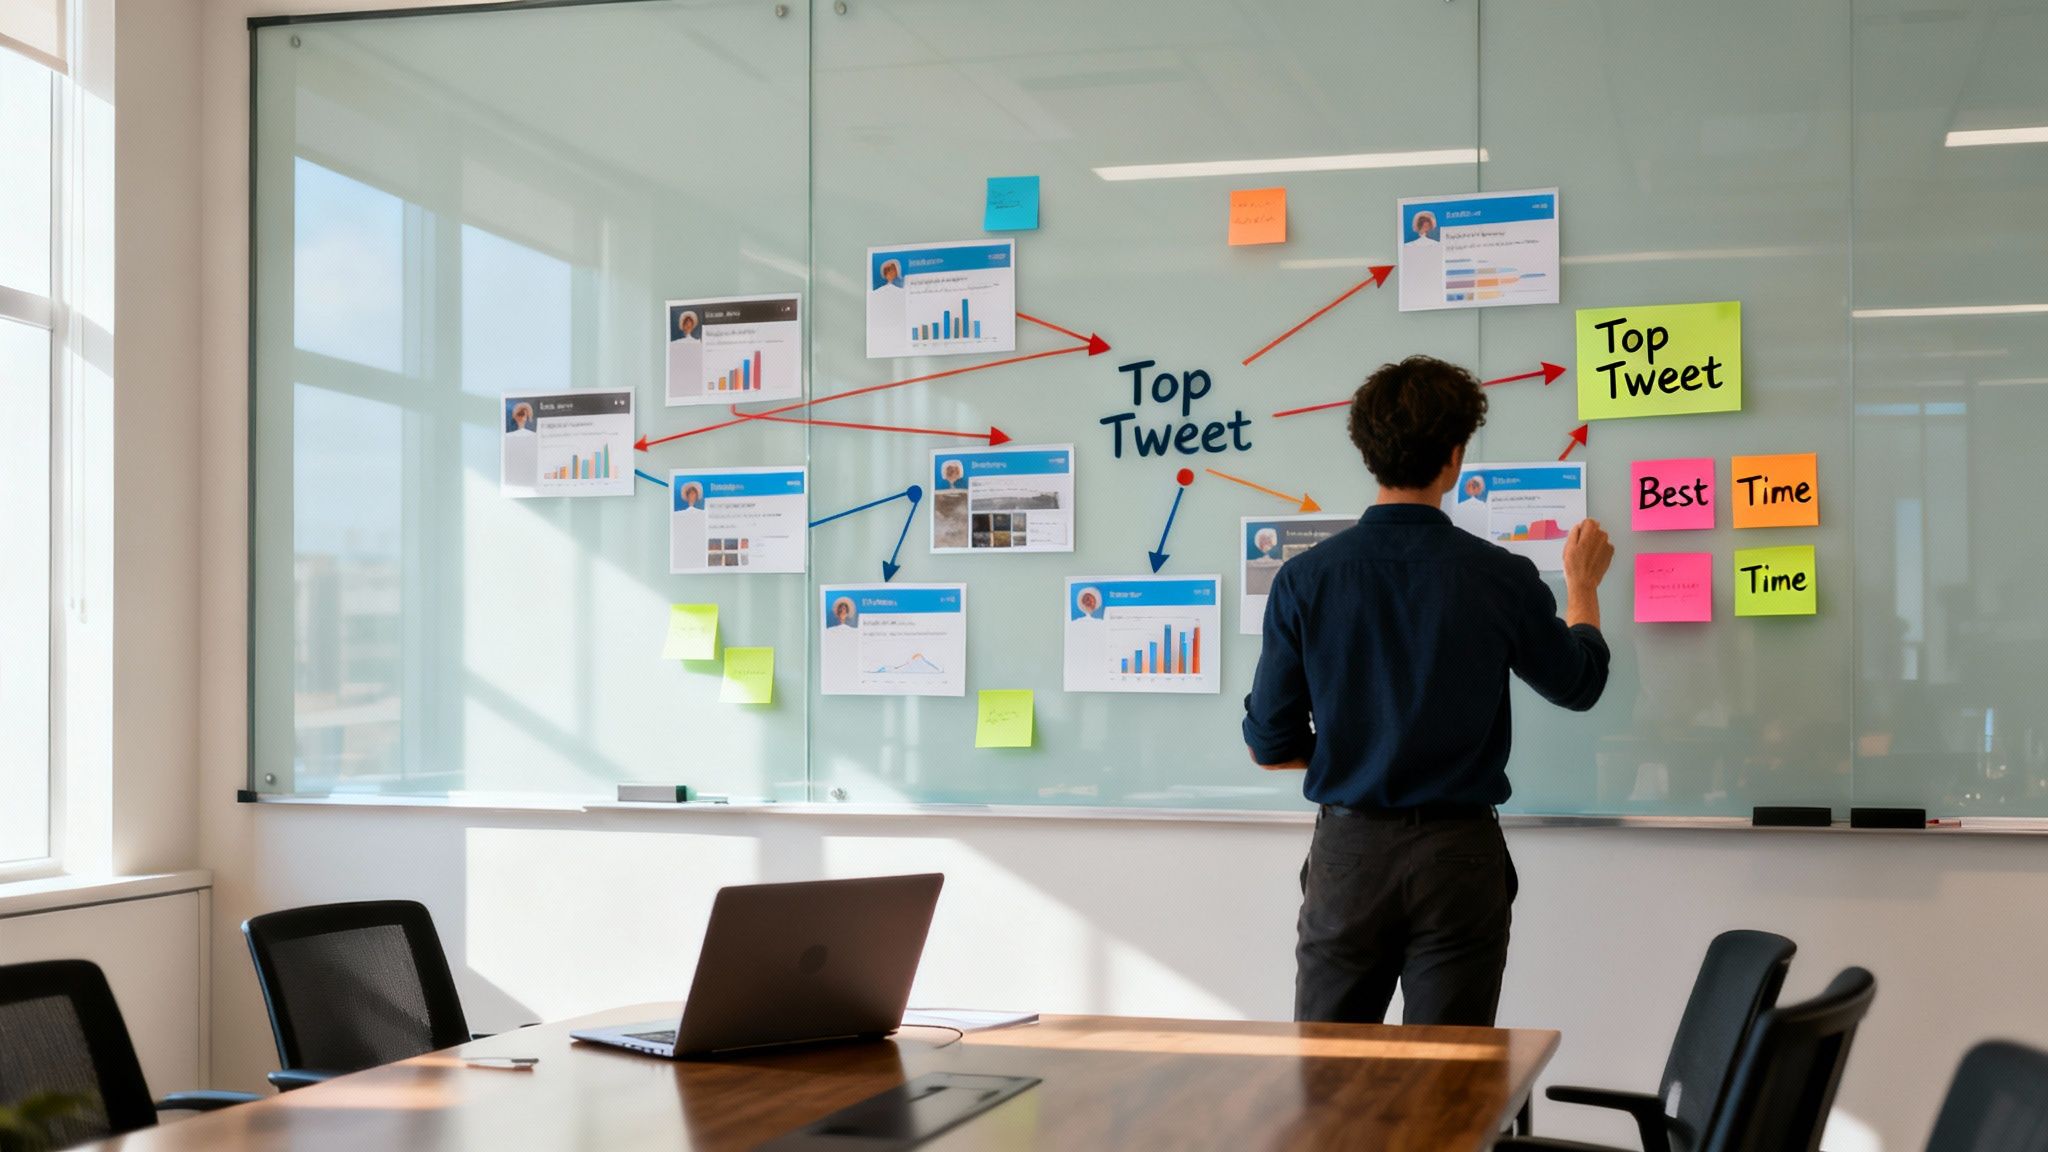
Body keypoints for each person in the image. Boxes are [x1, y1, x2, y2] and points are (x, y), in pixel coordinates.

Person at [1242, 354, 1614, 1029]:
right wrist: (1583, 589)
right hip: (1457, 858)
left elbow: (1270, 744)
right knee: (1451, 1089)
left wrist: (1352, 756)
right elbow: (1579, 685)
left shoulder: (1305, 580)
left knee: (1328, 1082)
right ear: (1455, 454)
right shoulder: (1499, 576)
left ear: (1368, 452)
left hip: (1348, 857)